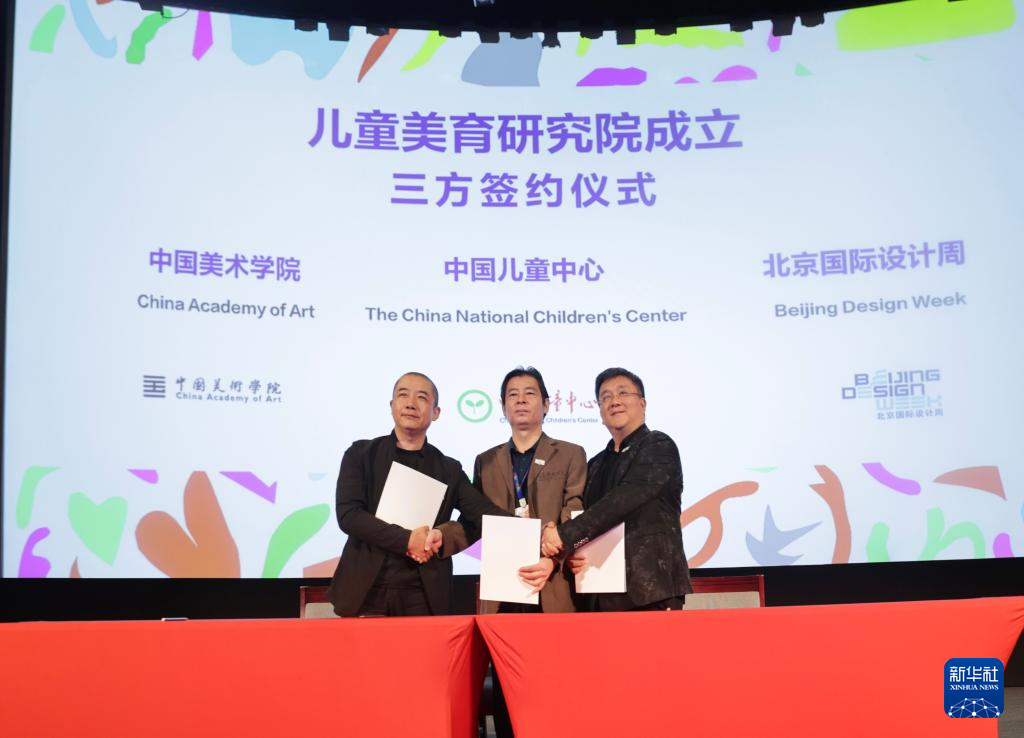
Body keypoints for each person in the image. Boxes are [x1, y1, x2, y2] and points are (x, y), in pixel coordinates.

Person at [450, 366, 586, 738]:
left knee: (554, 691)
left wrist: (552, 560)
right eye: (513, 394)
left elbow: (576, 512)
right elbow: (475, 520)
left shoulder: (570, 454)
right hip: (504, 589)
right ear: (503, 406)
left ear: (546, 404)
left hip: (552, 585)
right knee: (507, 693)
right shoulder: (486, 460)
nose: (521, 400)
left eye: (530, 393)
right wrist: (438, 539)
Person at [327, 371, 508, 617]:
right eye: (403, 395)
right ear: (392, 406)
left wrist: (538, 533)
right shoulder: (361, 454)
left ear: (436, 412)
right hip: (365, 591)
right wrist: (407, 540)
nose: (411, 403)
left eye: (422, 397)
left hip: (424, 594)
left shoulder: (449, 469)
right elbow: (349, 515)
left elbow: (482, 514)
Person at [539, 367, 692, 611]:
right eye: (606, 397)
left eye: (623, 393)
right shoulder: (595, 464)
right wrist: (569, 551)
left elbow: (623, 501)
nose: (615, 401)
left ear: (642, 403)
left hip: (650, 589)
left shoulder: (658, 445)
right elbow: (585, 515)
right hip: (598, 590)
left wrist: (564, 536)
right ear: (600, 411)